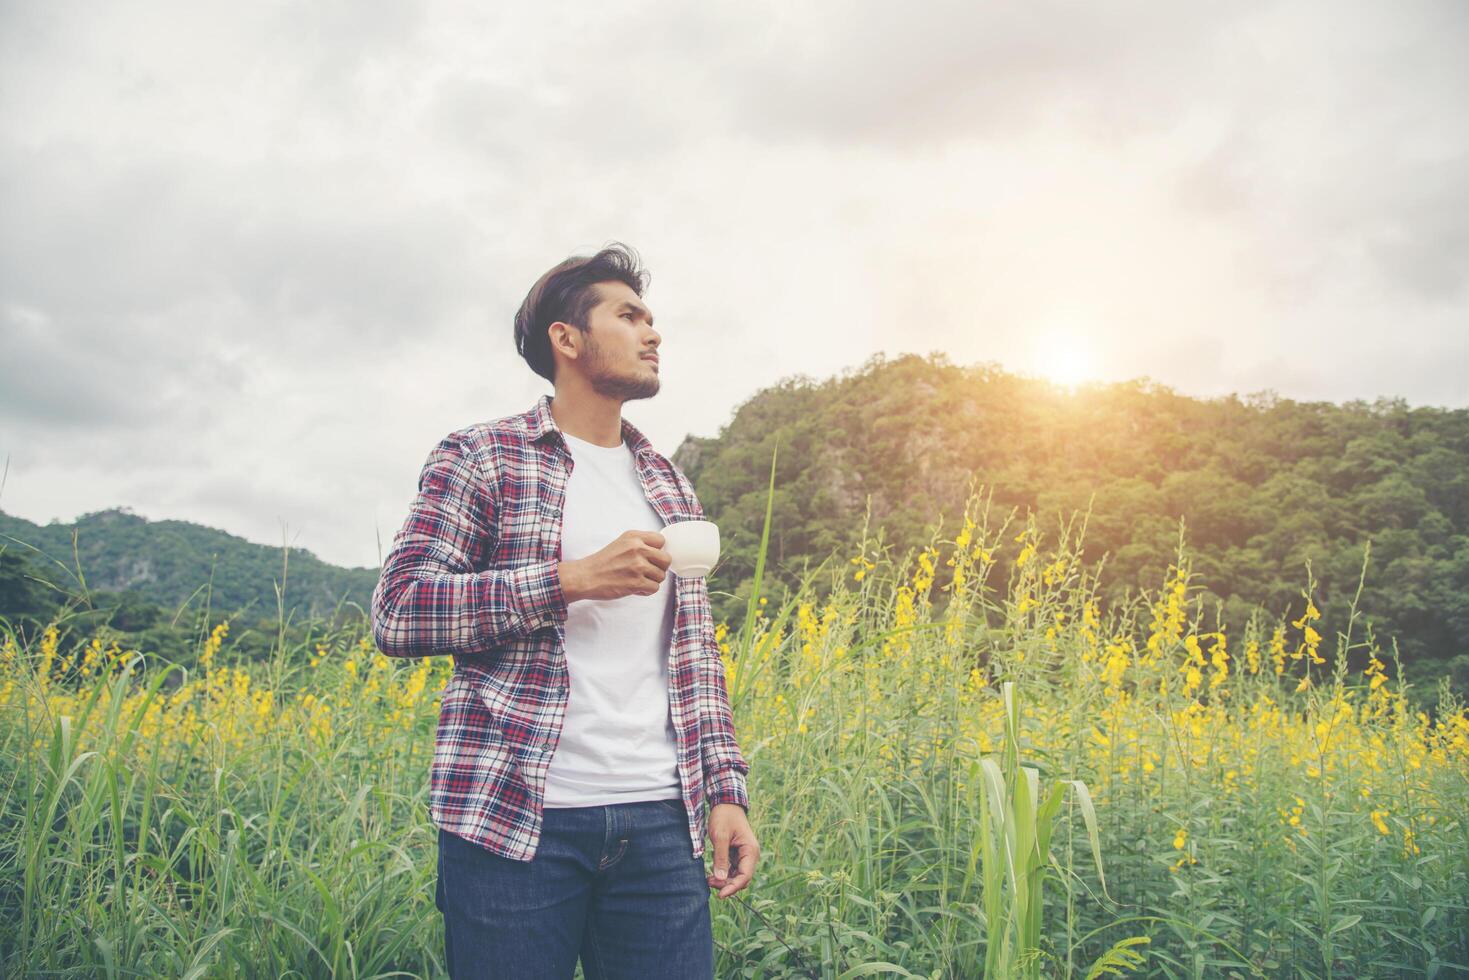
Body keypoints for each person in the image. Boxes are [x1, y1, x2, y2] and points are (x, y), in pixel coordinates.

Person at [371, 242, 759, 979]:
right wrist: (569, 579)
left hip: (658, 821)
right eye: (629, 315)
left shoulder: (670, 487)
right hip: (514, 819)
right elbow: (400, 610)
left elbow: (695, 657)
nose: (654, 333)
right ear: (567, 338)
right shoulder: (481, 456)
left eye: (651, 318)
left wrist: (724, 792)